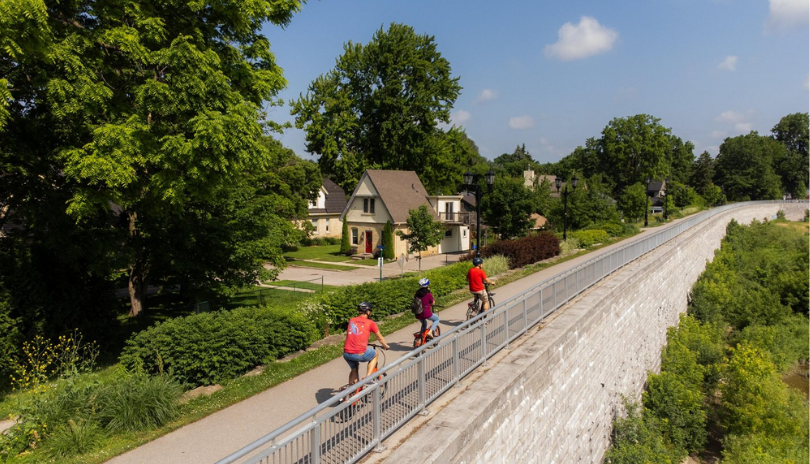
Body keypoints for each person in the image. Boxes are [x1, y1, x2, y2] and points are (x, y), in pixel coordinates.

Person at [343, 302, 390, 386]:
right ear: (368, 312)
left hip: (346, 353)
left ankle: (350, 392)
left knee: (354, 370)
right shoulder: (370, 323)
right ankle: (368, 378)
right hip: (359, 353)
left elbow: (354, 335)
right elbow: (379, 337)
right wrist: (385, 346)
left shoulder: (352, 320)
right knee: (375, 354)